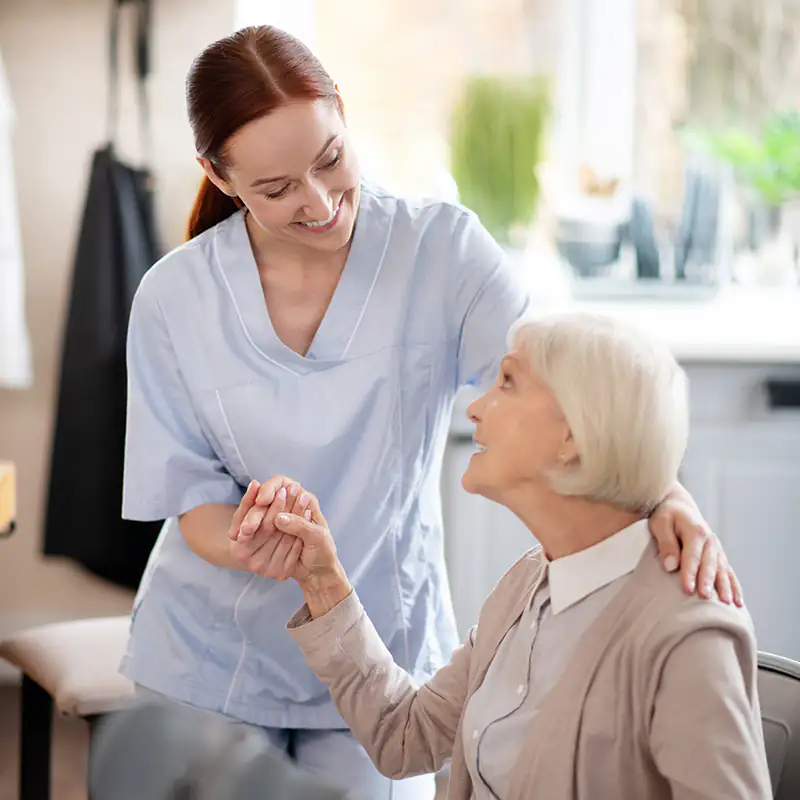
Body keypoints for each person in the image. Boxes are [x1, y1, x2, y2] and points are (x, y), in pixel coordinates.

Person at [122, 25, 742, 799]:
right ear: (218, 173)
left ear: (343, 112)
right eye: (277, 189)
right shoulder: (173, 297)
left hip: (384, 653)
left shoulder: (440, 251)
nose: (318, 203)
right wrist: (258, 541)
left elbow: (567, 386)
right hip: (206, 655)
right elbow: (188, 499)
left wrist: (664, 493)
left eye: (330, 160)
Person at [266, 312, 771, 800]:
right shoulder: (530, 583)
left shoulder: (686, 640)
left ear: (573, 433)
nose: (475, 407)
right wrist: (322, 579)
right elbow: (407, 736)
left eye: (507, 382)